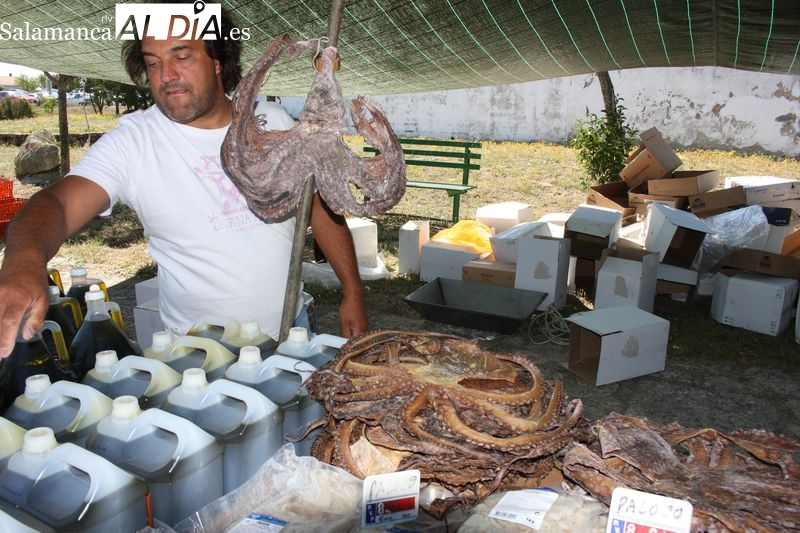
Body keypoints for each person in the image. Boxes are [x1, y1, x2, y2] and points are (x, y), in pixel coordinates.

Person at [0, 6, 368, 359]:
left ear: (218, 59)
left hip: (292, 331)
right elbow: (58, 205)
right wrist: (24, 258)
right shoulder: (134, 143)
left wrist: (352, 290)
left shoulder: (272, 121)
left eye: (182, 56)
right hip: (199, 356)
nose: (166, 76)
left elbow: (319, 207)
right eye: (153, 63)